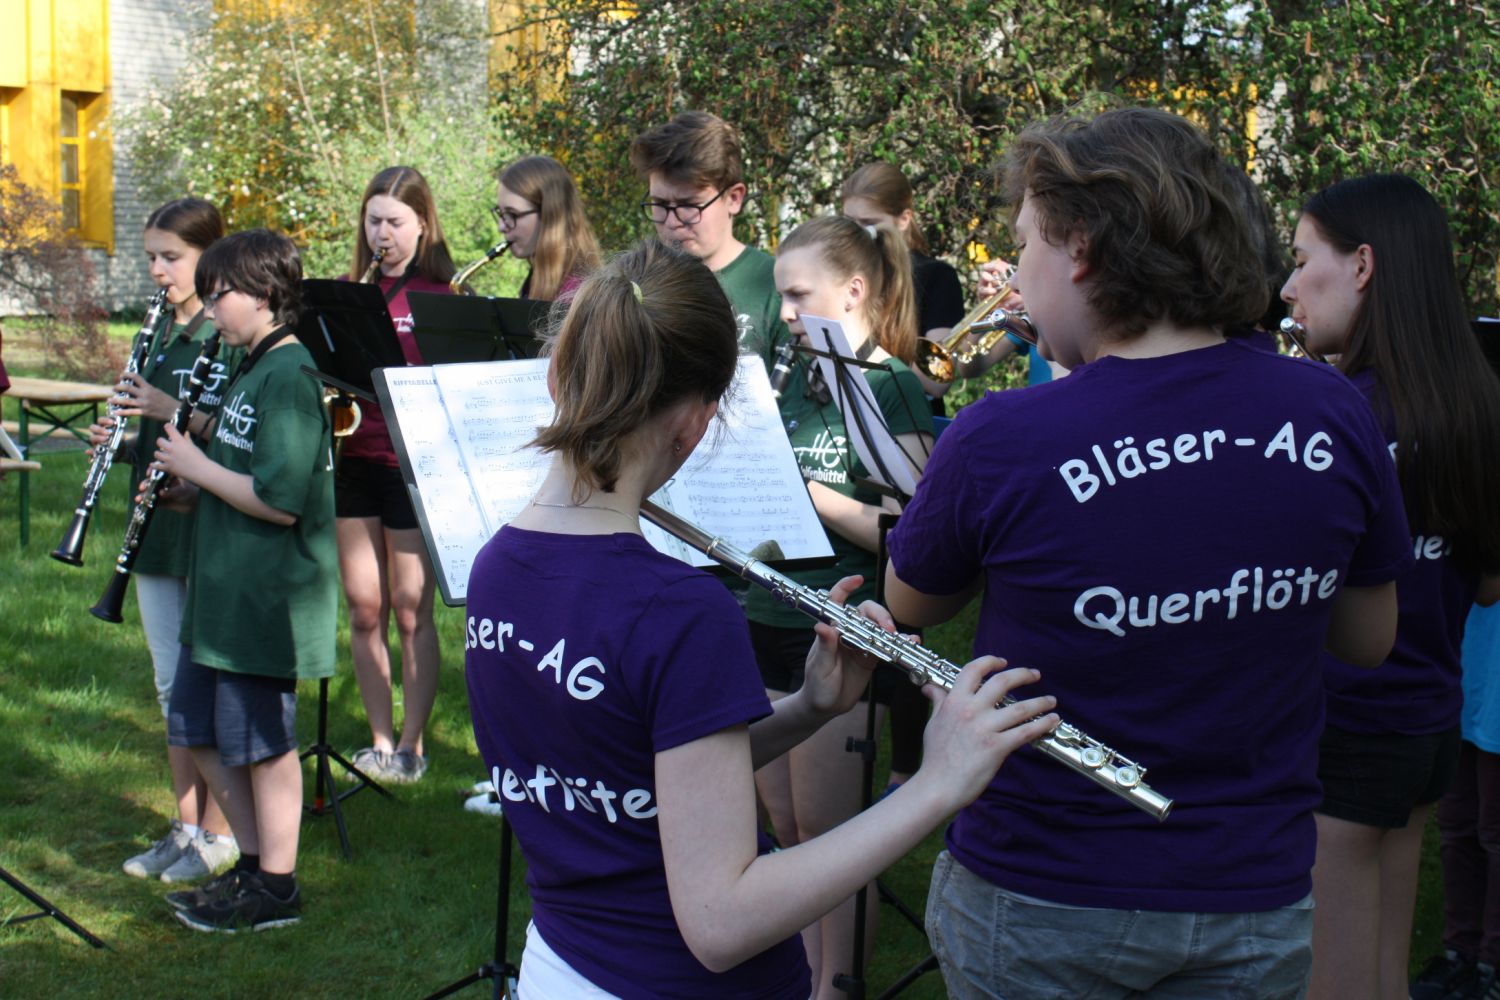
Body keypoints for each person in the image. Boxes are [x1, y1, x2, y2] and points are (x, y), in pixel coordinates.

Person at [884, 106, 1412, 999]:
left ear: (1080, 246)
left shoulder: (1003, 434)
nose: (1015, 277)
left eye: (1024, 248)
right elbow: (1368, 639)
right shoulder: (1332, 411)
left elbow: (911, 604)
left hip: (1044, 886)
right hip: (1253, 887)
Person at [464, 237, 1056, 998]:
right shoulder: (676, 610)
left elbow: (630, 773)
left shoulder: (497, 568)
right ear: (698, 421)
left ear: (558, 375)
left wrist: (811, 707)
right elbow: (721, 923)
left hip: (563, 966)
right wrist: (934, 783)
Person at [1277, 173, 1500, 1000]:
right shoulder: (1477, 404)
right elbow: (1485, 588)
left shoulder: (1339, 416)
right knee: (1382, 978)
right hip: (1427, 725)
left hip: (1346, 726)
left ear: (1363, 265)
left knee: (1331, 984)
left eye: (1303, 262)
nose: (1290, 287)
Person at [749, 214, 934, 996]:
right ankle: (799, 976)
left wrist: (814, 497)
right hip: (761, 617)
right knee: (784, 829)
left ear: (853, 291)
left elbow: (915, 527)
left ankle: (836, 985)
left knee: (831, 835)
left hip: (839, 626)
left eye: (798, 295)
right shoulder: (789, 385)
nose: (785, 313)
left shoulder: (891, 385)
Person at [148, 227, 338, 932]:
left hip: (268, 597)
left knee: (263, 742)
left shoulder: (289, 375)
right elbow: (242, 472)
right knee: (196, 724)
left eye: (219, 293)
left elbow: (282, 502)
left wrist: (198, 468)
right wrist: (193, 490)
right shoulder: (251, 368)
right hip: (225, 585)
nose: (212, 305)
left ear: (261, 294)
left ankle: (279, 887)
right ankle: (254, 866)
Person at [87, 198, 241, 885]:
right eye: (150, 256)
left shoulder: (230, 328)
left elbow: (237, 428)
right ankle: (184, 826)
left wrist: (164, 407)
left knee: (206, 683)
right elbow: (152, 435)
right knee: (168, 684)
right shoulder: (155, 331)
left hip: (207, 526)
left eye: (170, 257)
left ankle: (222, 831)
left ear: (208, 257)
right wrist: (116, 441)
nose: (157, 270)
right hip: (151, 526)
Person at [338, 166, 456, 784]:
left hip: (413, 465)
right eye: (373, 219)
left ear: (423, 225)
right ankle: (379, 740)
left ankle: (413, 745)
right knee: (364, 607)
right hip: (352, 459)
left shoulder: (441, 296)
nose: (382, 233)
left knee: (411, 609)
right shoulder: (345, 290)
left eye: (395, 222)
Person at [629, 111, 795, 385]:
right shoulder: (636, 281)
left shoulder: (779, 287)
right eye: (659, 205)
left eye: (689, 206)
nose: (672, 222)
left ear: (734, 198)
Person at [1413, 601, 1500, 1000]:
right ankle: (1460, 952)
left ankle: (1492, 963)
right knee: (1457, 821)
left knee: (1495, 830)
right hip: (1465, 667)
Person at [840, 161, 964, 403]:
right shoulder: (842, 274)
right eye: (849, 222)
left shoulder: (937, 277)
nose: (856, 234)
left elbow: (936, 382)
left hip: (908, 420)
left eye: (868, 224)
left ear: (904, 219)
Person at [494, 155, 601, 302]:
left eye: (512, 214)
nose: (501, 227)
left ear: (549, 215)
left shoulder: (575, 295)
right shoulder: (537, 280)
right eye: (500, 213)